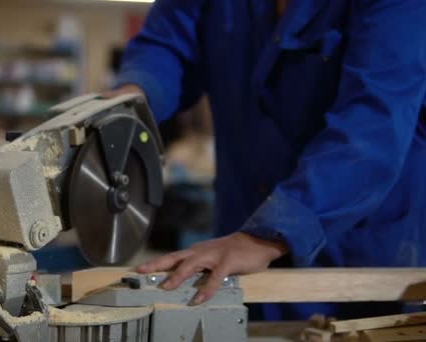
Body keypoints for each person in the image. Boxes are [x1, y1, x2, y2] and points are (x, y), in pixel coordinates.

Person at [108, 0, 426, 320]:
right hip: (241, 242)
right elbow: (170, 45)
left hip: (359, 259)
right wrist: (133, 97)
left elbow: (371, 130)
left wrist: (268, 235)